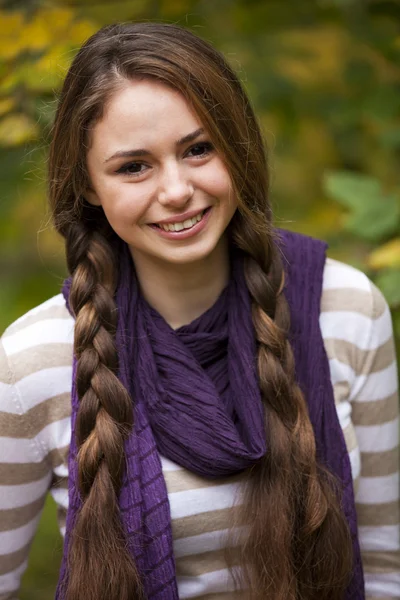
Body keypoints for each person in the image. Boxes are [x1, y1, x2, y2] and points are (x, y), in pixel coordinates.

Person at [0, 22, 398, 600]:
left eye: (198, 149)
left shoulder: (347, 310)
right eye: (134, 166)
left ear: (235, 148)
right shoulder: (30, 362)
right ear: (88, 185)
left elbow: (386, 567)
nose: (178, 189)